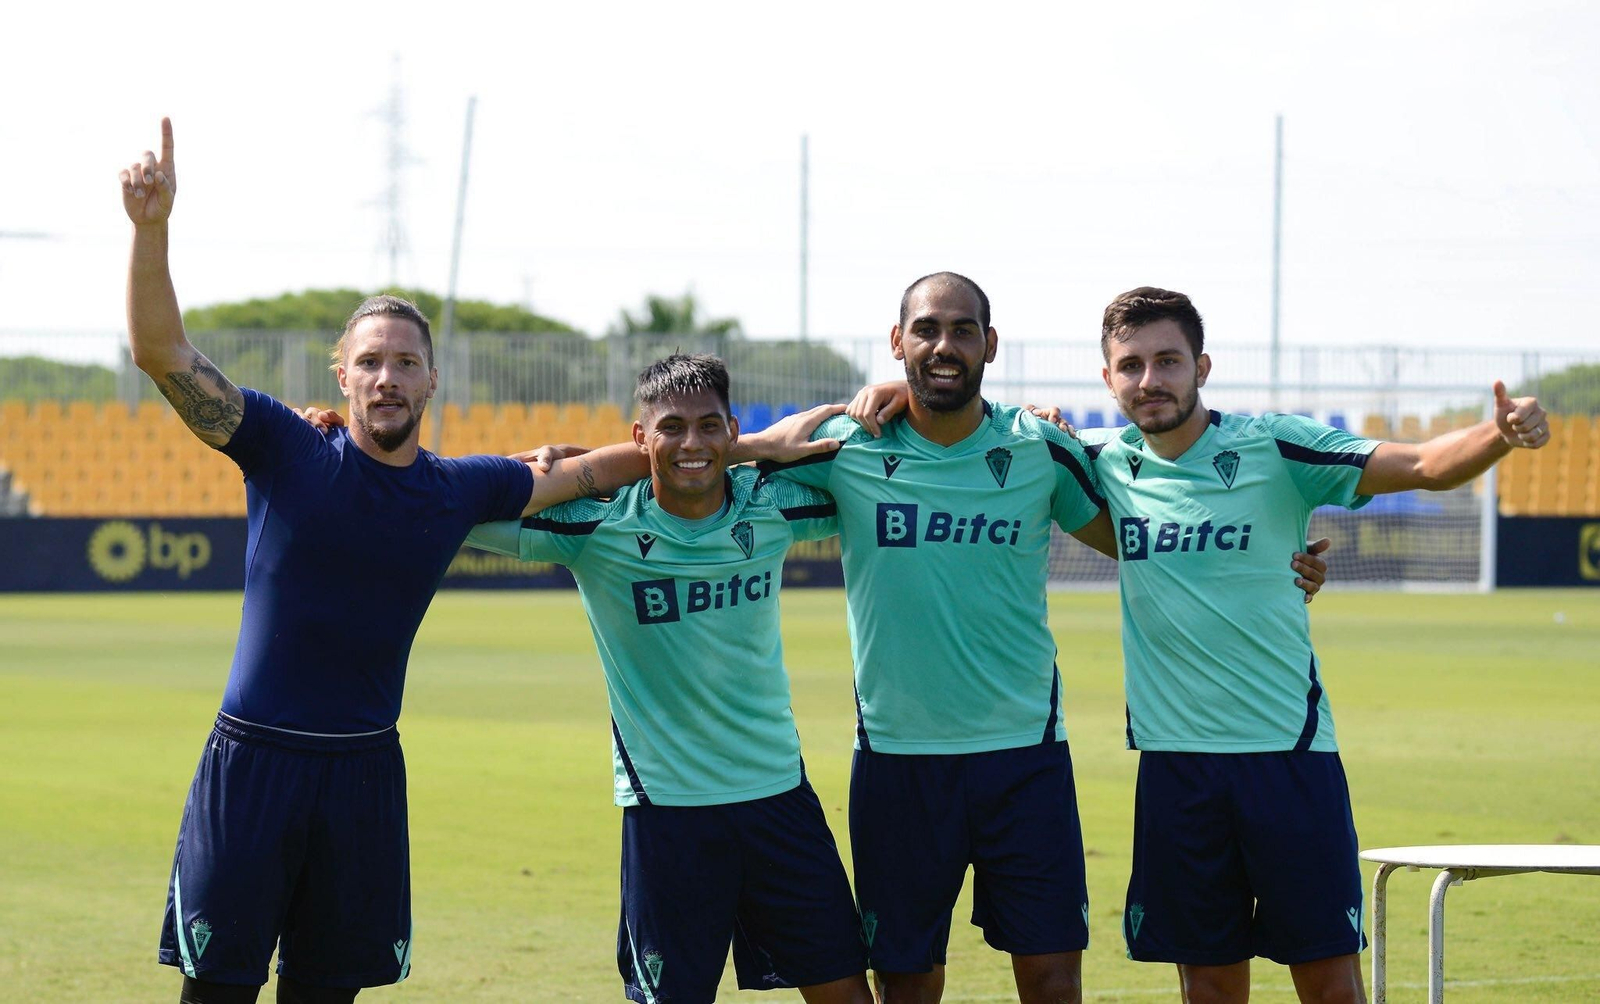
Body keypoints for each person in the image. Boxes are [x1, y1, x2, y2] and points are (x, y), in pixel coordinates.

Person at [119, 120, 828, 1004]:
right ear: (342, 375)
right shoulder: (284, 448)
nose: (387, 378)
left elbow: (590, 468)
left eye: (405, 363)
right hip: (256, 762)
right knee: (216, 990)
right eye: (370, 362)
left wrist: (744, 445)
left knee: (328, 990)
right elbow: (162, 354)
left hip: (367, 771)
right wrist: (152, 232)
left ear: (430, 383)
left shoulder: (456, 488)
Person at [768, 273, 1328, 1004]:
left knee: (1054, 978)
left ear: (990, 344)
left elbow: (1150, 533)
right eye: (928, 329)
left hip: (1025, 757)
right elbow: (714, 484)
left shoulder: (1038, 447)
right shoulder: (849, 449)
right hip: (900, 759)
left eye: (964, 330)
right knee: (905, 979)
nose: (946, 345)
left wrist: (1282, 554)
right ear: (898, 341)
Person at [1076, 286, 1548, 1004]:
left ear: (1201, 366)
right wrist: (895, 390)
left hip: (1288, 758)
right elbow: (974, 430)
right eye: (1131, 365)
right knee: (1206, 984)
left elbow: (1421, 465)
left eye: (1167, 361)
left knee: (1328, 981)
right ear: (1108, 378)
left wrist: (1501, 435)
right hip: (1176, 767)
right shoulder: (1104, 465)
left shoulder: (1274, 446)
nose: (1150, 381)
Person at [463, 354, 872, 1004]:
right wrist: (566, 465)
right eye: (672, 428)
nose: (692, 444)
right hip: (668, 815)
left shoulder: (770, 508)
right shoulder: (599, 526)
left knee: (848, 994)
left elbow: (885, 470)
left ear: (732, 432)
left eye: (710, 427)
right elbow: (454, 504)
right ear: (639, 438)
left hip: (778, 798)